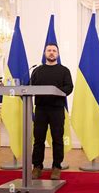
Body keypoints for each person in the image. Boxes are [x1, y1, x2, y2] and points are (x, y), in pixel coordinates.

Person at [31, 43, 73, 181]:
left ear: (58, 54)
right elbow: (30, 87)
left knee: (57, 139)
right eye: (49, 50)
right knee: (38, 139)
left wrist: (57, 91)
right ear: (44, 53)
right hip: (41, 110)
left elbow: (69, 87)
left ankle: (56, 167)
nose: (51, 53)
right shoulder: (37, 71)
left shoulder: (64, 71)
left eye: (54, 51)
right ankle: (37, 167)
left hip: (57, 109)